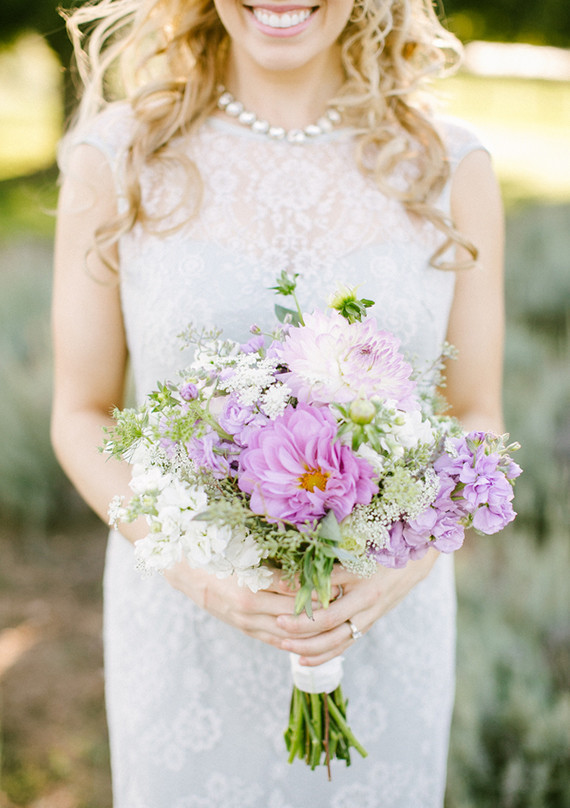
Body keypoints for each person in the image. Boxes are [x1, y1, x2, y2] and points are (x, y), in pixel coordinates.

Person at [51, 0, 505, 805]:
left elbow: (477, 414)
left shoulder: (449, 165)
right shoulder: (118, 157)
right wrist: (197, 571)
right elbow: (80, 413)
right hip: (184, 624)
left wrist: (405, 566)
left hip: (383, 618)